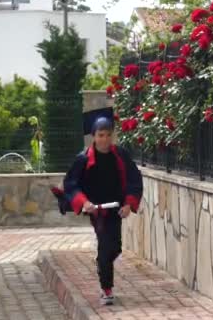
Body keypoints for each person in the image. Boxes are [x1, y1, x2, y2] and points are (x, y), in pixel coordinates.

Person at [62, 110, 143, 306]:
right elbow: (71, 184)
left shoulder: (121, 155)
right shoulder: (83, 159)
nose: (104, 140)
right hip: (96, 210)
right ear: (94, 137)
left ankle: (103, 262)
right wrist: (84, 202)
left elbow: (134, 180)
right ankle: (107, 288)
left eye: (108, 135)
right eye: (100, 135)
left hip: (116, 208)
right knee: (106, 246)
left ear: (112, 136)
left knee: (115, 247)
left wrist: (128, 204)